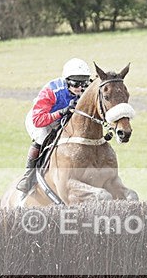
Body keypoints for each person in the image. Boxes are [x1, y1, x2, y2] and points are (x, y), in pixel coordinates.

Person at [16, 58, 92, 194]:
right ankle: (29, 175)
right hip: (41, 119)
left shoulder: (84, 90)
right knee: (43, 137)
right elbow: (38, 120)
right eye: (76, 84)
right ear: (67, 82)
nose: (81, 89)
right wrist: (62, 111)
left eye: (84, 84)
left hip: (64, 118)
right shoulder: (51, 91)